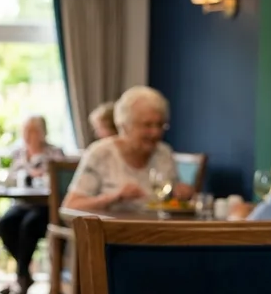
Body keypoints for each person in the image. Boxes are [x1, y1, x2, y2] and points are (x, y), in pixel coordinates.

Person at [63, 86, 193, 213]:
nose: (155, 133)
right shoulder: (100, 153)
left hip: (156, 232)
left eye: (160, 125)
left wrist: (181, 194)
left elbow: (171, 200)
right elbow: (71, 206)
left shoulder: (163, 153)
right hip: (111, 233)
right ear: (124, 126)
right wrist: (114, 198)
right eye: (147, 125)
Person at [0, 115, 64, 294]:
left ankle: (20, 277)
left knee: (29, 225)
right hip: (22, 203)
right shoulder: (18, 153)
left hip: (45, 207)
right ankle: (24, 274)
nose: (29, 135)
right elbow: (9, 180)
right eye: (26, 131)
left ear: (43, 133)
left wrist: (40, 176)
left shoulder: (55, 152)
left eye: (33, 131)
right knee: (4, 224)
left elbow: (59, 181)